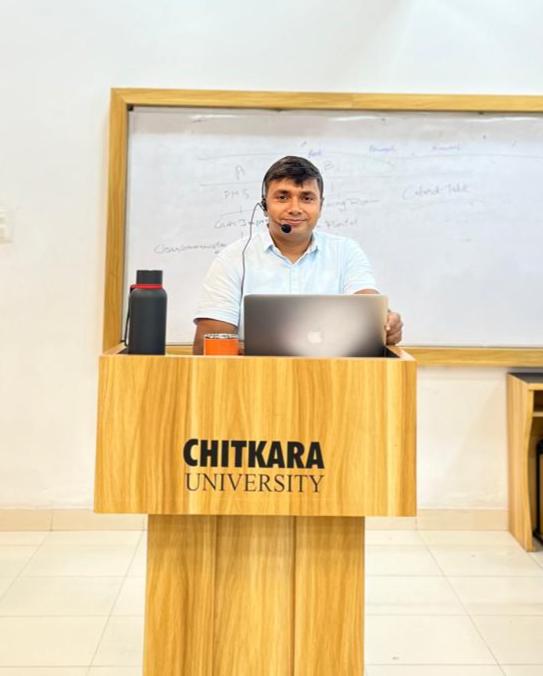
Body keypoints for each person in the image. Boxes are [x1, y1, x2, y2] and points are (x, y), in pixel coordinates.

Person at [192, 156, 403, 354]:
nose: (295, 209)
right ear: (265, 205)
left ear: (320, 205)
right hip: (253, 378)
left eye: (307, 198)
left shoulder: (346, 252)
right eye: (282, 197)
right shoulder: (233, 258)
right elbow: (207, 345)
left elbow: (367, 302)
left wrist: (385, 323)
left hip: (331, 376)